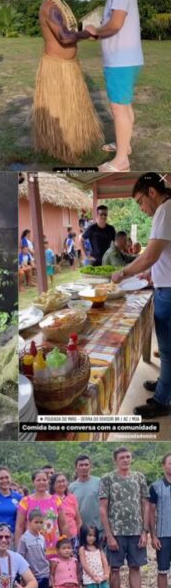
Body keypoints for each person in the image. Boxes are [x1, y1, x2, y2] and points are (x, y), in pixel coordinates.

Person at [111, 174, 171, 417]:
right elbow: (162, 256)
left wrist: (123, 273)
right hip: (165, 285)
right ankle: (166, 384)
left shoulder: (165, 210)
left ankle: (163, 400)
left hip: (169, 291)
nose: (141, 208)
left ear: (152, 192)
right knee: (168, 349)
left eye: (139, 201)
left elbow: (150, 256)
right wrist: (151, 274)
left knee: (167, 350)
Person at [32, 0, 103, 164]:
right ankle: (62, 149)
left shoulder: (58, 5)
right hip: (57, 68)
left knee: (70, 111)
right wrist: (87, 33)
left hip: (68, 66)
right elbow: (64, 37)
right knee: (60, 111)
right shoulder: (51, 7)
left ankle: (70, 144)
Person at [86, 0, 143, 173]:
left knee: (118, 108)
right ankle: (124, 146)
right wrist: (97, 34)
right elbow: (112, 26)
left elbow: (116, 24)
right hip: (123, 59)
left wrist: (96, 31)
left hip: (121, 61)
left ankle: (121, 161)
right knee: (124, 105)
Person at [99, 446, 149, 588]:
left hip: (136, 531)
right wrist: (109, 534)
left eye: (128, 457)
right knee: (115, 569)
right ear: (116, 460)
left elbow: (145, 505)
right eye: (122, 458)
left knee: (136, 567)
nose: (126, 460)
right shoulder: (108, 479)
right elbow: (103, 509)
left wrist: (145, 531)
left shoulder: (139, 477)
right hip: (117, 532)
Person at [15, 470, 67, 559]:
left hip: (54, 547)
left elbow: (63, 525)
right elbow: (19, 527)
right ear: (33, 482)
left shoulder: (56, 500)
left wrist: (66, 545)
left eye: (44, 480)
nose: (42, 482)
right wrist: (18, 551)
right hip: (32, 548)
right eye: (38, 480)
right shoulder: (25, 501)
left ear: (48, 482)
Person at [16, 509, 50, 588]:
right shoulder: (24, 538)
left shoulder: (42, 538)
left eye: (41, 522)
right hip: (30, 575)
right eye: (36, 522)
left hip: (44, 572)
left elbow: (44, 554)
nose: (39, 525)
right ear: (29, 522)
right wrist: (24, 574)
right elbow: (20, 557)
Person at [148, 452, 171, 588]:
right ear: (163, 465)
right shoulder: (156, 487)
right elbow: (151, 512)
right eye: (169, 463)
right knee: (162, 570)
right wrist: (153, 535)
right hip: (163, 534)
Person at [79, 524, 111, 588]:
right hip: (90, 579)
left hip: (101, 578)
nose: (92, 538)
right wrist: (93, 576)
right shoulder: (82, 549)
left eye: (94, 535)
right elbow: (84, 564)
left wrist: (106, 574)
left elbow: (104, 561)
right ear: (84, 536)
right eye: (89, 535)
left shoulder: (99, 549)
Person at [51, 472, 82, 550]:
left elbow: (78, 521)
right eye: (58, 482)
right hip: (57, 538)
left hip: (73, 537)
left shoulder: (72, 497)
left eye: (63, 481)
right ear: (53, 484)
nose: (61, 484)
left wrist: (78, 535)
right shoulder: (50, 499)